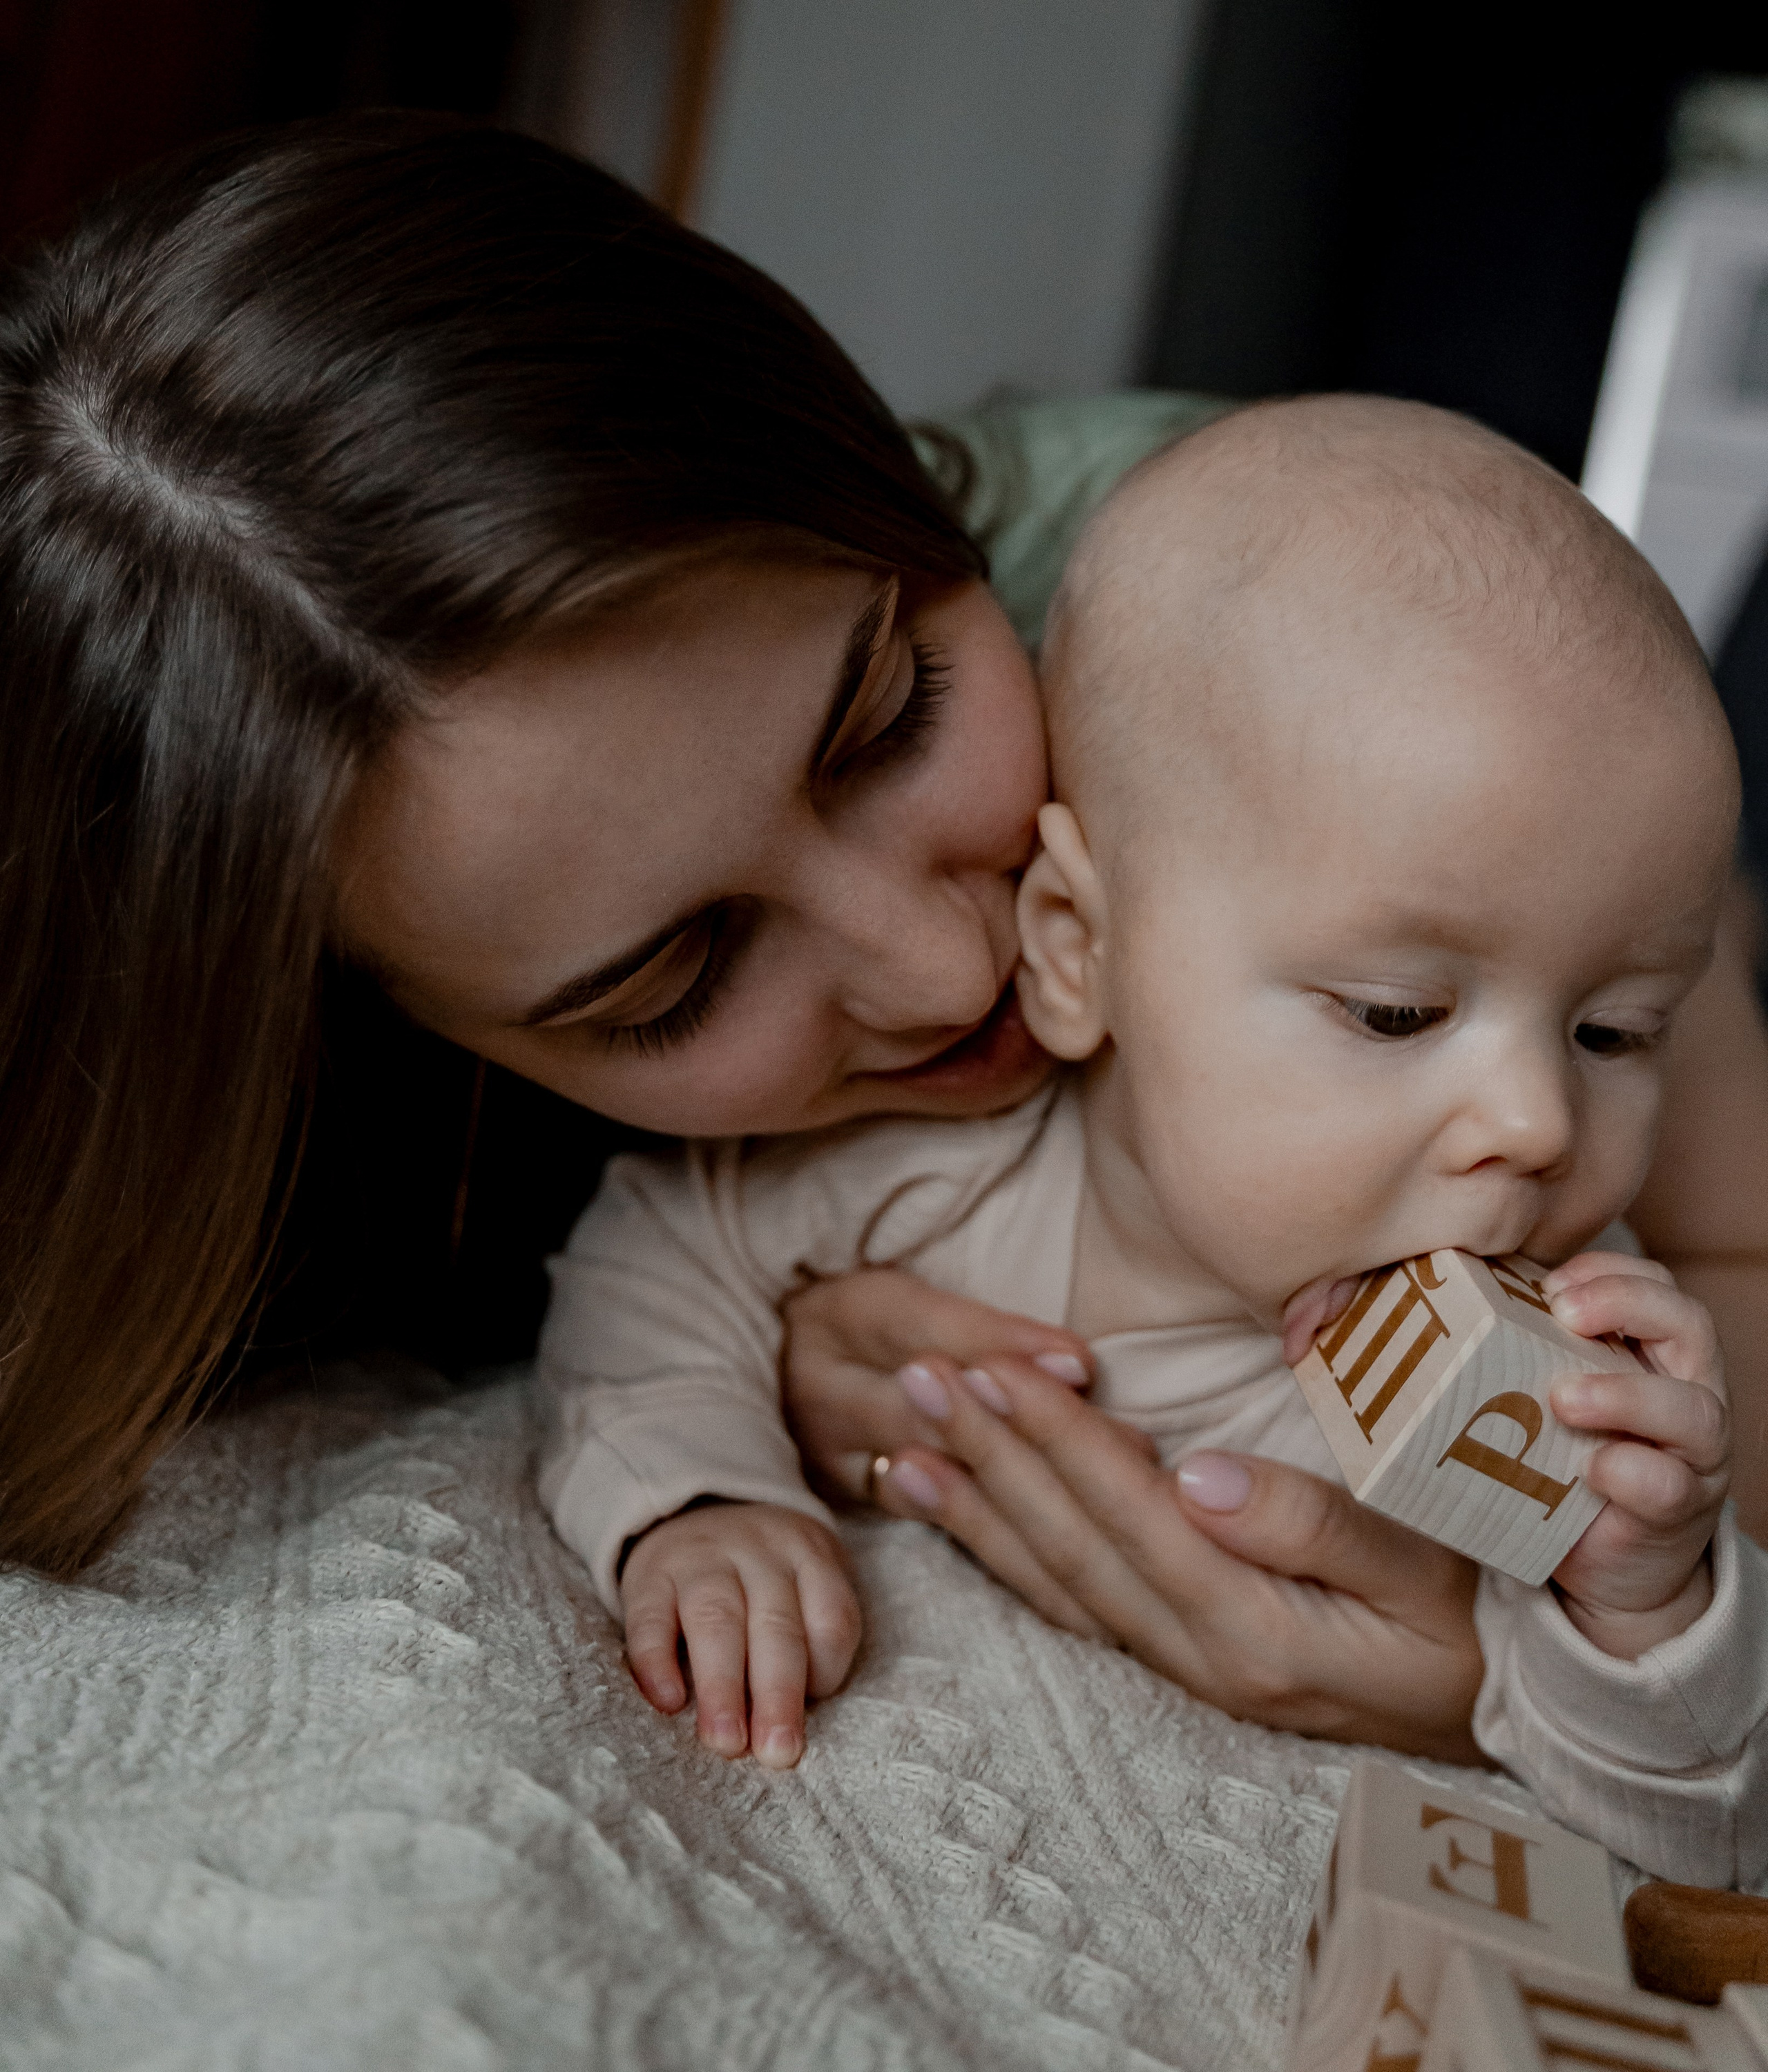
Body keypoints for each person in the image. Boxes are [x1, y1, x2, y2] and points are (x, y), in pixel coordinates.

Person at [5, 119, 1767, 1778]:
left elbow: (1721, 1247)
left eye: (892, 713)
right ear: (433, 1059)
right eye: (677, 981)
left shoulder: (1292, 620)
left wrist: (1535, 1681)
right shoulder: (353, 1166)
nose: (945, 969)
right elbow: (652, 1295)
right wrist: (729, 1420)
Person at [535, 399, 1763, 1883]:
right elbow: (660, 1261)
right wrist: (701, 1494)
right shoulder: (923, 1169)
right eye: (1391, 1014)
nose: (1535, 1124)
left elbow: (1702, 1831)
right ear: (1074, 945)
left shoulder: (1563, 1378)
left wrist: (1643, 1602)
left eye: (1614, 1030)